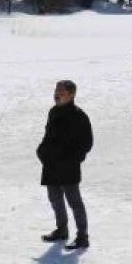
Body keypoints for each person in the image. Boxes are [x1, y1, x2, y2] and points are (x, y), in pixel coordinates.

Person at [37, 80, 94, 251]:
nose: (57, 94)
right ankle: (62, 230)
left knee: (74, 201)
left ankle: (82, 236)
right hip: (51, 164)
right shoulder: (53, 111)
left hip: (68, 165)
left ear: (71, 95)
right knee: (55, 199)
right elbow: (48, 135)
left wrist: (74, 158)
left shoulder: (79, 115)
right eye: (56, 90)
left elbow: (87, 142)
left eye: (61, 92)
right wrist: (42, 151)